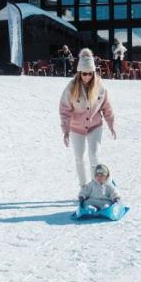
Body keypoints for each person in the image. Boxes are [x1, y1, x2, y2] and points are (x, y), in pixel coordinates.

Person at [59, 48, 116, 187]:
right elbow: (64, 110)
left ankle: (97, 186)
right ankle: (84, 187)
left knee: (94, 156)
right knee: (79, 158)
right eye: (84, 74)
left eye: (90, 73)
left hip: (95, 126)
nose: (87, 77)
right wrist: (65, 131)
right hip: (76, 128)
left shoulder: (100, 86)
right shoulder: (71, 87)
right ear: (79, 72)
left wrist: (111, 125)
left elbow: (106, 107)